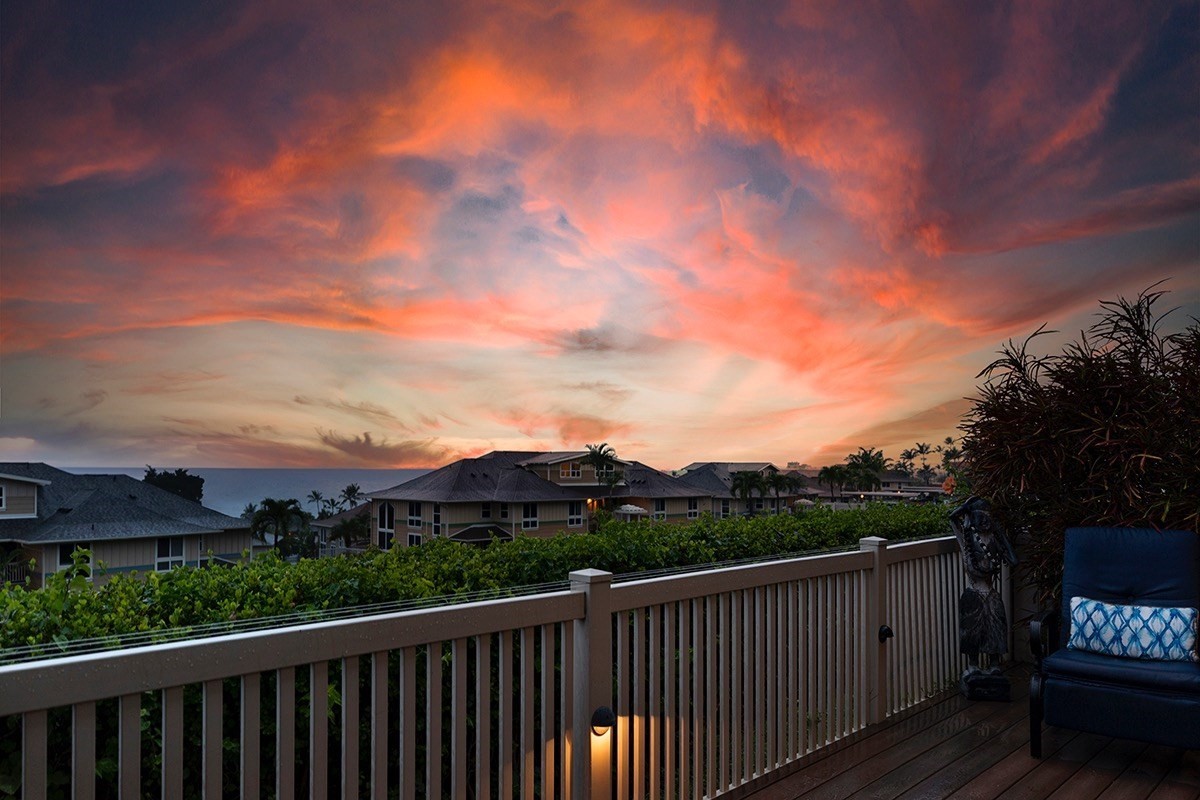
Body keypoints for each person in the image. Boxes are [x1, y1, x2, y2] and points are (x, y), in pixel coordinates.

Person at [949, 495, 1018, 697]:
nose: (985, 521)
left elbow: (1013, 560)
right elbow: (952, 518)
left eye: (988, 517)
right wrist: (966, 507)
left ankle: (995, 664)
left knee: (996, 628)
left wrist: (1000, 533)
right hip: (973, 592)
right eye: (981, 517)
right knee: (972, 631)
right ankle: (973, 665)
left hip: (991, 592)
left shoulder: (994, 540)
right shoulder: (967, 539)